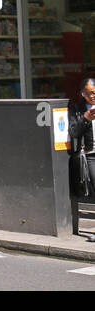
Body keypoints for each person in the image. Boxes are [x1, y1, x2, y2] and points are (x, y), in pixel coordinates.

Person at [69, 79, 95, 229]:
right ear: (82, 94)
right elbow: (73, 132)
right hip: (91, 155)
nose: (92, 96)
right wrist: (85, 119)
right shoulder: (77, 109)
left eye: (94, 92)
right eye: (88, 93)